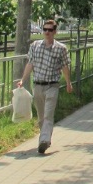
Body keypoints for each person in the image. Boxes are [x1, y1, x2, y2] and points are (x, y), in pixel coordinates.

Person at [19, 19, 74, 154]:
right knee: (41, 117)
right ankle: (45, 138)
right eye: (45, 30)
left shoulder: (61, 48)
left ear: (55, 32)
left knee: (48, 115)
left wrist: (68, 83)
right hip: (37, 86)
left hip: (52, 86)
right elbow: (30, 64)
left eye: (50, 30)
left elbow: (65, 67)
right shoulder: (35, 46)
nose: (47, 32)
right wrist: (22, 80)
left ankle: (44, 140)